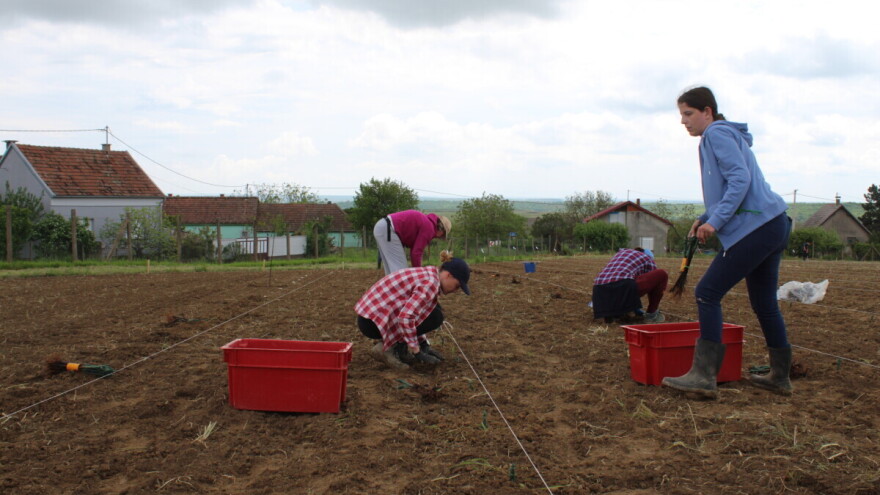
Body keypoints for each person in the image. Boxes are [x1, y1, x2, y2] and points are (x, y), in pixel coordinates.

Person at [663, 86, 792, 399]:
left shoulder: (716, 134)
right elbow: (728, 189)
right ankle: (780, 377)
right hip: (773, 223)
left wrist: (715, 222)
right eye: (681, 114)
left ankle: (703, 376)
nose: (683, 121)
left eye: (688, 113)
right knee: (764, 303)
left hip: (757, 227)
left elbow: (739, 180)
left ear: (707, 111)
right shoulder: (723, 135)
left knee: (707, 292)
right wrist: (705, 216)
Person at [355, 251, 470, 370]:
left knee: (434, 311)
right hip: (372, 323)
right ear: (449, 275)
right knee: (436, 316)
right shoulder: (430, 284)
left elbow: (418, 315)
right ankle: (388, 348)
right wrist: (417, 351)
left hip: (369, 318)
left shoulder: (429, 275)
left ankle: (399, 348)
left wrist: (423, 344)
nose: (455, 290)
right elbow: (406, 317)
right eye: (457, 285)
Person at [591, 247, 668, 323]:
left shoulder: (620, 253)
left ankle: (617, 313)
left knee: (628, 281)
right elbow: (653, 283)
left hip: (598, 292)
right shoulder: (647, 258)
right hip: (622, 287)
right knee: (662, 274)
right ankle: (651, 315)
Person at [374, 210, 452, 276]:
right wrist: (419, 274)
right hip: (388, 230)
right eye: (443, 235)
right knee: (401, 273)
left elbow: (414, 250)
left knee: (392, 272)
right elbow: (416, 252)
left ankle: (391, 289)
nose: (440, 237)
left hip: (384, 227)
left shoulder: (426, 222)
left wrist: (417, 271)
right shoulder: (429, 229)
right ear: (441, 230)